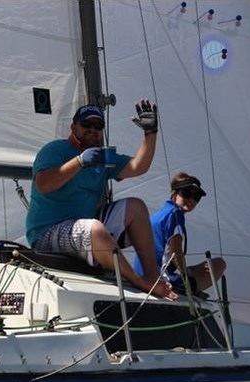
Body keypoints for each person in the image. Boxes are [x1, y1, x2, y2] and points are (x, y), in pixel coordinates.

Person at [25, 100, 176, 300]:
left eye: (98, 126)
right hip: (46, 233)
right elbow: (44, 185)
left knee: (136, 207)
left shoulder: (102, 158)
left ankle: (152, 276)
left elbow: (138, 166)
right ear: (73, 127)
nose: (92, 129)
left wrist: (150, 133)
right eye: (86, 124)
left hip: (83, 228)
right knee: (94, 229)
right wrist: (79, 162)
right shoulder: (55, 149)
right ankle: (138, 280)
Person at [133, 172, 226, 297]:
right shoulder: (175, 215)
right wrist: (186, 277)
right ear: (174, 193)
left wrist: (188, 271)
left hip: (142, 275)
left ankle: (193, 286)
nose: (191, 199)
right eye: (186, 193)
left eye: (196, 197)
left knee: (199, 268)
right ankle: (193, 290)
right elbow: (175, 253)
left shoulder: (162, 213)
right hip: (160, 280)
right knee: (219, 264)